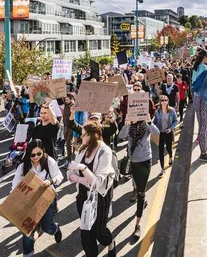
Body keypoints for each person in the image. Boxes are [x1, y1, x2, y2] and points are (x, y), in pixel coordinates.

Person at [67, 122, 116, 257]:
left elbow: (97, 183)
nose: (81, 138)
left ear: (92, 136)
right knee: (86, 233)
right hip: (83, 196)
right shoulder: (82, 149)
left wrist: (82, 168)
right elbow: (69, 175)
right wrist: (81, 180)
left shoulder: (105, 151)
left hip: (100, 197)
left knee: (99, 233)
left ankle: (110, 242)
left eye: (83, 135)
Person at [12, 139, 63, 255]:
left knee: (47, 227)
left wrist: (51, 181)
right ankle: (28, 254)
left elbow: (59, 176)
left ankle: (54, 229)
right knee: (27, 231)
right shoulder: (22, 167)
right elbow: (15, 185)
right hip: (28, 202)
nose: (36, 157)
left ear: (43, 152)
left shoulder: (49, 161)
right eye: (32, 154)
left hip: (46, 199)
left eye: (39, 154)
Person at [118, 106, 160, 239]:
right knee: (137, 186)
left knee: (140, 193)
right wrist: (126, 123)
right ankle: (142, 197)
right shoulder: (129, 126)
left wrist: (150, 122)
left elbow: (157, 133)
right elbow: (121, 136)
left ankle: (137, 225)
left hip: (145, 161)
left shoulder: (145, 125)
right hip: (133, 163)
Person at [153, 95, 178, 177]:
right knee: (160, 152)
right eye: (162, 100)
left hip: (168, 133)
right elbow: (155, 122)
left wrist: (171, 128)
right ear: (160, 102)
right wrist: (154, 129)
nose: (164, 102)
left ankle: (171, 157)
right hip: (160, 133)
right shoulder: (157, 112)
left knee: (169, 148)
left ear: (168, 101)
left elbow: (175, 120)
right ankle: (162, 169)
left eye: (165, 100)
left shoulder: (172, 111)